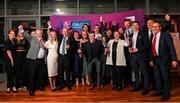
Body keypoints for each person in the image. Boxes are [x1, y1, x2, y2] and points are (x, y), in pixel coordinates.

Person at [150, 22, 177, 100]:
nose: (154, 28)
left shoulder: (165, 35)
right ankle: (159, 91)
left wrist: (174, 59)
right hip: (155, 60)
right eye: (153, 27)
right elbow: (152, 49)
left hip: (164, 60)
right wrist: (151, 59)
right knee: (157, 76)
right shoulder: (153, 36)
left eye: (156, 26)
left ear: (160, 27)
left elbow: (171, 47)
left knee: (166, 77)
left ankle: (166, 93)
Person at [18, 25, 46, 96]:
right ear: (35, 34)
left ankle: (39, 86)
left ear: (41, 34)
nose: (39, 34)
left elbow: (45, 48)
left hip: (41, 60)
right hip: (33, 60)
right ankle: (31, 89)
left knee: (41, 74)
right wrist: (21, 28)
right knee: (32, 74)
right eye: (37, 33)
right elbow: (25, 34)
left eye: (40, 33)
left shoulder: (44, 40)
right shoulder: (32, 39)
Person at [129, 21, 149, 95]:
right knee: (136, 72)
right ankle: (137, 86)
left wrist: (138, 49)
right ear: (132, 27)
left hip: (141, 56)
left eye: (136, 25)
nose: (135, 26)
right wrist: (130, 49)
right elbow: (130, 45)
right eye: (133, 25)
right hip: (133, 56)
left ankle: (145, 88)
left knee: (144, 72)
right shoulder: (131, 35)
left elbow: (147, 45)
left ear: (138, 26)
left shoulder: (143, 33)